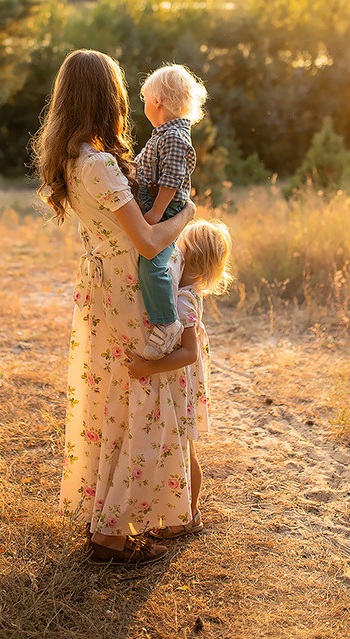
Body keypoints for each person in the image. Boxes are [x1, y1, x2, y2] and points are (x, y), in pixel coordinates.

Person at [32, 49, 196, 566]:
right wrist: (187, 214)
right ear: (109, 97)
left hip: (102, 286)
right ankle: (110, 532)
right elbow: (148, 242)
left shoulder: (74, 156)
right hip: (128, 287)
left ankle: (114, 517)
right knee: (139, 394)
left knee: (112, 397)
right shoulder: (100, 164)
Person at [126, 218, 233, 538]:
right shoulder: (183, 288)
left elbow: (189, 353)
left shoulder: (185, 299)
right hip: (178, 378)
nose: (174, 261)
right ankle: (183, 512)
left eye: (182, 258)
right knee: (179, 447)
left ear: (199, 271)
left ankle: (189, 516)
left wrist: (148, 368)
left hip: (180, 378)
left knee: (185, 449)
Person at [136, 64, 207, 360]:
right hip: (157, 205)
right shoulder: (162, 134)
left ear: (156, 100)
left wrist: (155, 213)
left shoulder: (176, 136)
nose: (143, 105)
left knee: (154, 263)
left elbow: (171, 180)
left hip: (165, 208)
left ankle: (167, 323)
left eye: (144, 99)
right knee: (145, 260)